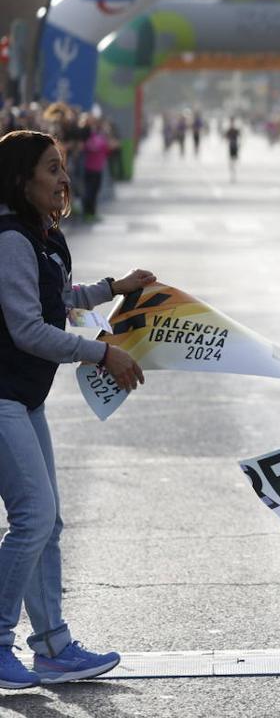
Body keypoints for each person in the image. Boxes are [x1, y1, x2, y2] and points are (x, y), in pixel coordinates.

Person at [0, 130, 152, 688]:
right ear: (21, 180)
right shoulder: (11, 238)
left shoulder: (45, 236)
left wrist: (115, 286)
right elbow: (28, 329)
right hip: (3, 396)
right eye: (51, 169)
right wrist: (100, 353)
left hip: (23, 397)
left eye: (64, 167)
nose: (63, 179)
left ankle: (53, 647)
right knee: (33, 518)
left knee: (48, 522)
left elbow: (59, 300)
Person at [224, 119, 241, 183]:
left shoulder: (236, 130)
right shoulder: (229, 130)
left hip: (235, 147)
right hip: (231, 147)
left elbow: (240, 137)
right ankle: (232, 171)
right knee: (231, 161)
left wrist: (239, 144)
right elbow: (226, 137)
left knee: (234, 161)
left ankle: (234, 171)